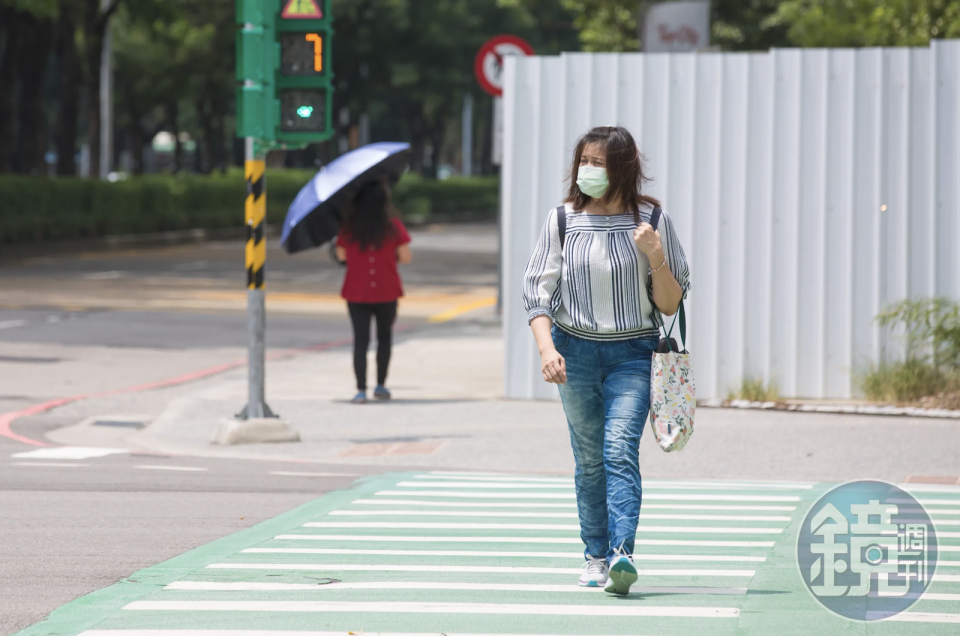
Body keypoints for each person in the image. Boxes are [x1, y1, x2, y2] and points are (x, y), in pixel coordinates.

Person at [521, 126, 691, 595]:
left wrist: (654, 254)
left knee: (618, 450)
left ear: (623, 168)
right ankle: (595, 554)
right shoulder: (562, 220)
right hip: (572, 351)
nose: (588, 171)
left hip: (632, 354)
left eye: (599, 162)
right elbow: (537, 292)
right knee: (590, 461)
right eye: (584, 161)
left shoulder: (652, 219)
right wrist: (546, 349)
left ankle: (622, 555)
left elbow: (672, 302)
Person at [335, 178, 412, 404]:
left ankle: (360, 389)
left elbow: (341, 256)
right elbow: (406, 257)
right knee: (385, 338)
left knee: (360, 340)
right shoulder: (393, 227)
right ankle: (381, 385)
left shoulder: (348, 228)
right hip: (387, 290)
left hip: (356, 292)